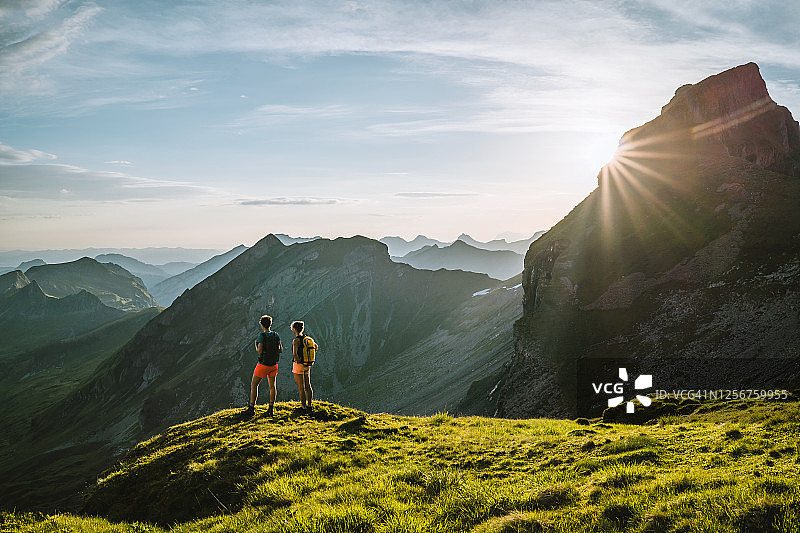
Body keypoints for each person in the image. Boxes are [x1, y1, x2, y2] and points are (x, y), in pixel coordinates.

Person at [246, 315, 282, 417]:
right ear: (270, 324)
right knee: (272, 386)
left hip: (263, 365)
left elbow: (260, 352)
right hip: (274, 365)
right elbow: (281, 349)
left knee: (254, 385)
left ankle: (252, 408)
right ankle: (271, 408)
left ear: (262, 324)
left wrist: (256, 346)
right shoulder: (276, 335)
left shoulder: (262, 336)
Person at [291, 320, 318, 411]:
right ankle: (309, 405)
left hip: (299, 366)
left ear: (294, 329)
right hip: (307, 364)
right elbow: (315, 347)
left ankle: (303, 407)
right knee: (308, 385)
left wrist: (298, 361)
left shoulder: (296, 340)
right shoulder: (307, 339)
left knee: (301, 387)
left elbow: (295, 354)